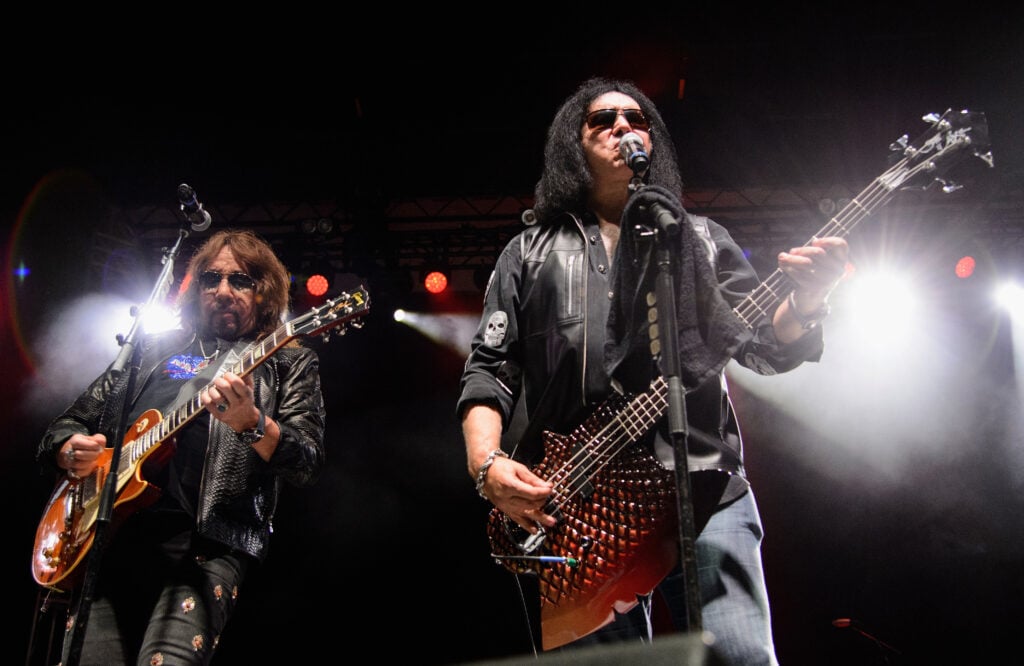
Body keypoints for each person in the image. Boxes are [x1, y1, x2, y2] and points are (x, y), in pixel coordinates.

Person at [457, 76, 849, 664]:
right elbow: (490, 368)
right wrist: (485, 464)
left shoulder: (701, 239)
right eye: (603, 120)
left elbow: (763, 345)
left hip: (701, 481)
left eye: (636, 119)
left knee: (740, 655)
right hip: (581, 505)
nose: (623, 127)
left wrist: (810, 299)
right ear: (574, 144)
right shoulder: (529, 251)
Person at [35, 229, 327, 665]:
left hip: (203, 550)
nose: (223, 291)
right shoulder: (150, 353)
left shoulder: (287, 361)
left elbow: (306, 461)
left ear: (265, 292)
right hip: (108, 544)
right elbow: (65, 424)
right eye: (211, 279)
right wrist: (67, 447)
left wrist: (252, 423)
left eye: (240, 280)